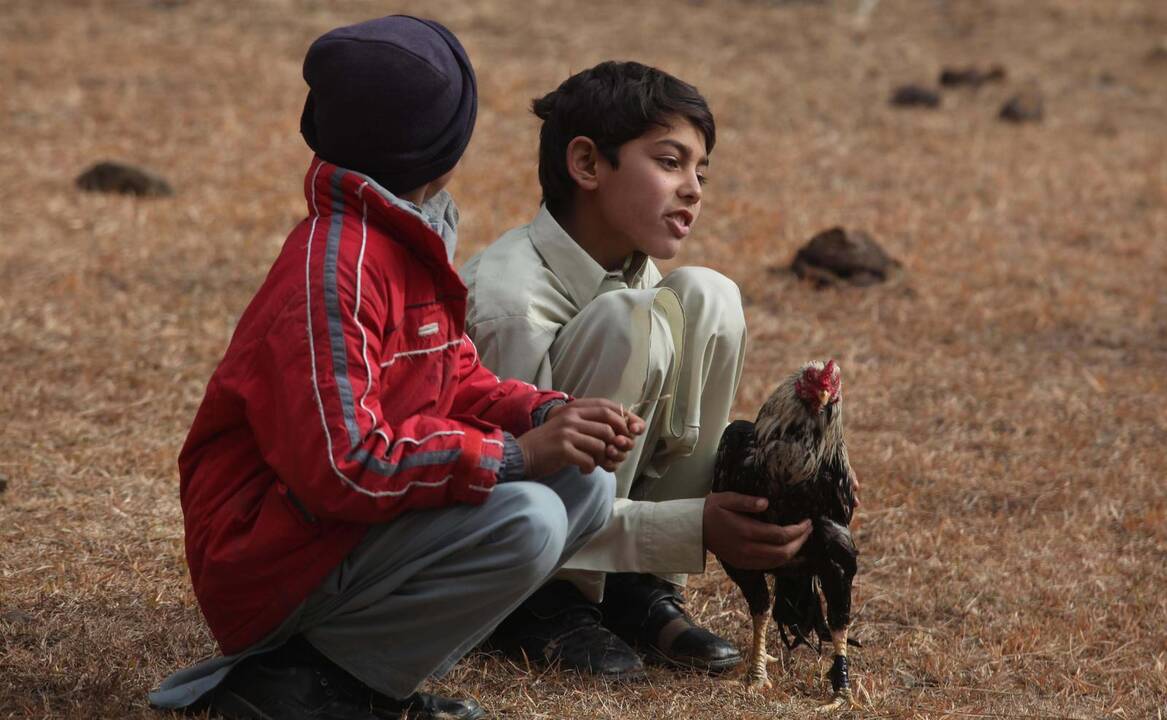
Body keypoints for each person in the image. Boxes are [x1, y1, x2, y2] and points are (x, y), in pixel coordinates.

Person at [147, 17, 642, 720]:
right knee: (527, 515)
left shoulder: (400, 239)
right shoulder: (334, 270)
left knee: (580, 482)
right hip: (268, 560)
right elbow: (344, 465)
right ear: (446, 145)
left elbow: (454, 380)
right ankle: (313, 688)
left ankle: (356, 680)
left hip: (329, 535)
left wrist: (545, 414)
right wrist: (512, 454)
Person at [461, 61, 813, 679]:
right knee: (628, 316)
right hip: (513, 550)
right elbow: (495, 498)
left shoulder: (636, 271)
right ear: (589, 165)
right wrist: (691, 526)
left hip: (607, 525)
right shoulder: (507, 306)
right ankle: (547, 603)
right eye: (671, 162)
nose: (694, 189)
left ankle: (635, 590)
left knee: (708, 294)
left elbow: (662, 449)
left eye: (700, 172)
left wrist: (798, 488)